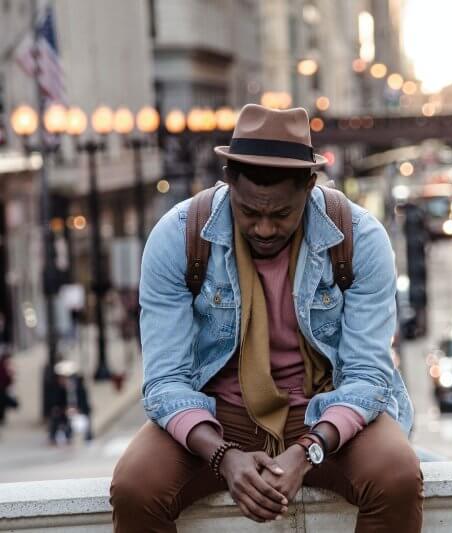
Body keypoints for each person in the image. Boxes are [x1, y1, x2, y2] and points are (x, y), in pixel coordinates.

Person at [110, 105, 421, 533]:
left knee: (397, 475)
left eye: (281, 215)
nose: (264, 229)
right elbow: (164, 382)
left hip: (323, 410)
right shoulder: (177, 236)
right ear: (228, 180)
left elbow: (368, 376)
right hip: (217, 415)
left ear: (309, 186)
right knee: (135, 488)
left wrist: (307, 450)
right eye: (249, 212)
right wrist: (223, 455)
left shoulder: (359, 238)